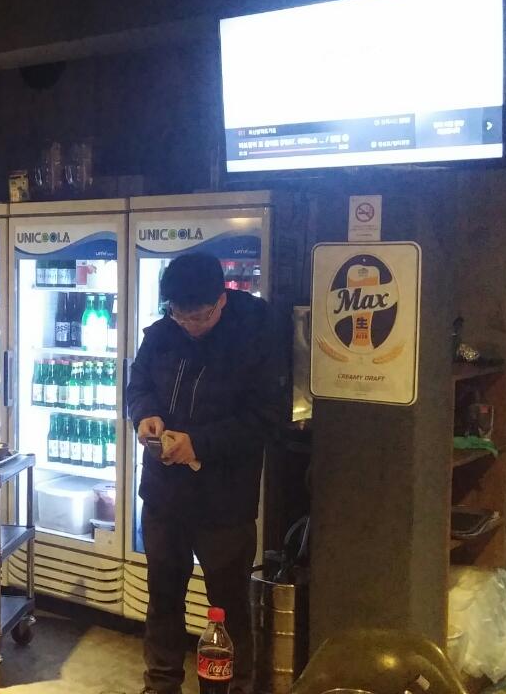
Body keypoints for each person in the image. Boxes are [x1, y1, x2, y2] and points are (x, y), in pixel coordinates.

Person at [125, 253, 284, 694]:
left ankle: (233, 687)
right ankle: (160, 685)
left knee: (228, 605)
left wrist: (200, 444)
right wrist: (145, 415)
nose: (189, 325)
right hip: (164, 494)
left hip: (224, 501)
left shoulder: (256, 334)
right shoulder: (164, 332)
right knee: (163, 599)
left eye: (199, 316)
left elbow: (267, 418)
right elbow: (136, 384)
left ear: (222, 300)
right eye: (180, 315)